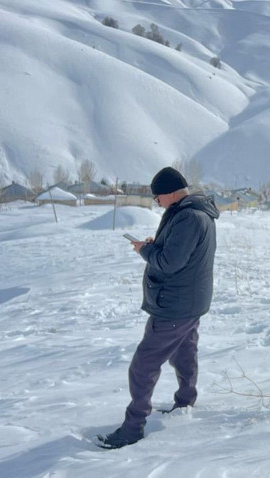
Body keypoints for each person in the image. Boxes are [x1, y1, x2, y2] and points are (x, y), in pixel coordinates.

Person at [99, 167, 219, 449]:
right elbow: (179, 254)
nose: (157, 203)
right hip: (189, 302)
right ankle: (185, 403)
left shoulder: (188, 216)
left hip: (175, 306)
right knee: (184, 353)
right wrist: (156, 245)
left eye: (157, 198)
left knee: (143, 366)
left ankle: (132, 428)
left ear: (170, 192)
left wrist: (144, 250)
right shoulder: (196, 211)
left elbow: (169, 262)